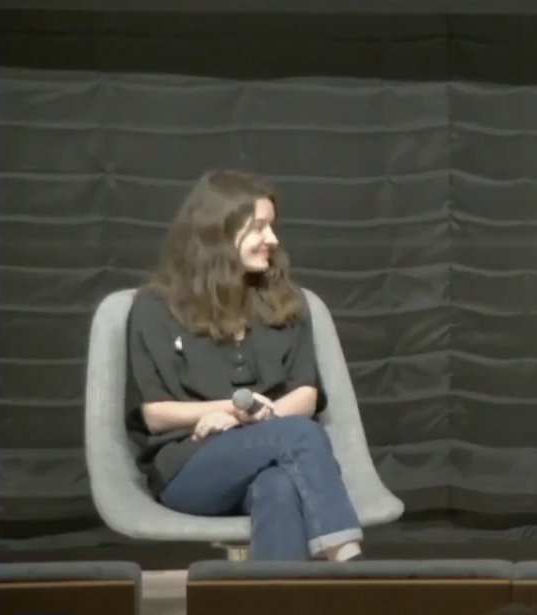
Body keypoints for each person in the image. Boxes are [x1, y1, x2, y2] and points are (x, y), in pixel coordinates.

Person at [124, 169, 363, 561]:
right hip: (190, 465)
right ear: (216, 234)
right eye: (259, 228)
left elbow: (305, 394)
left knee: (280, 487)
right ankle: (350, 568)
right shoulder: (155, 307)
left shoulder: (287, 300)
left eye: (272, 226)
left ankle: (274, 599)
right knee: (301, 436)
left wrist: (241, 418)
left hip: (271, 447)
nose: (273, 239)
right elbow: (155, 415)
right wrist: (225, 410)